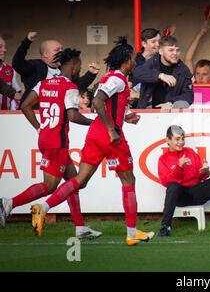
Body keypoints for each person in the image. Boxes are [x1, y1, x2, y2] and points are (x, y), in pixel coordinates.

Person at [27, 37, 154, 246]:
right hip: (110, 137)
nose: (134, 62)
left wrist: (126, 115)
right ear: (126, 60)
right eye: (133, 58)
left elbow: (107, 103)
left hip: (95, 134)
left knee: (79, 181)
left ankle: (44, 207)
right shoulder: (119, 79)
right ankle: (132, 233)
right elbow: (97, 101)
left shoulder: (111, 77)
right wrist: (112, 129)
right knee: (128, 181)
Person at [0, 48, 102, 239]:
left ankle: (80, 227)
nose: (80, 68)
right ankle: (9, 203)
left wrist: (39, 127)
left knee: (74, 183)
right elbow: (72, 115)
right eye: (79, 65)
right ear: (73, 66)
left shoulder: (43, 83)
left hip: (46, 138)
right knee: (50, 187)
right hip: (58, 144)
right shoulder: (69, 86)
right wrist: (95, 122)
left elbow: (24, 105)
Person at [157, 125, 210, 236]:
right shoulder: (163, 159)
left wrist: (204, 171)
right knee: (173, 186)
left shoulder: (190, 152)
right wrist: (179, 167)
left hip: (197, 192)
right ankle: (165, 227)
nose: (181, 142)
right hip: (180, 196)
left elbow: (201, 177)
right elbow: (166, 183)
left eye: (183, 139)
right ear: (168, 140)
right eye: (177, 139)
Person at [12, 31, 99, 106]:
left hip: (58, 115)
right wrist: (27, 42)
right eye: (57, 50)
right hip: (36, 114)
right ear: (45, 54)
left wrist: (91, 74)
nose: (61, 52)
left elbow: (76, 86)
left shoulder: (63, 69)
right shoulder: (36, 66)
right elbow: (17, 63)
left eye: (62, 49)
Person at [132, 36, 194, 111]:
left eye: (177, 50)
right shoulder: (152, 62)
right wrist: (160, 75)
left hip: (170, 114)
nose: (175, 53)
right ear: (161, 51)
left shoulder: (183, 70)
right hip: (147, 112)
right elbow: (137, 73)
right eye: (171, 50)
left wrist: (171, 103)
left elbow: (189, 95)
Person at [0, 36, 22, 110]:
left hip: (6, 116)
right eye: (0, 47)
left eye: (5, 47)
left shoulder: (10, 70)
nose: (5, 50)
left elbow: (17, 94)